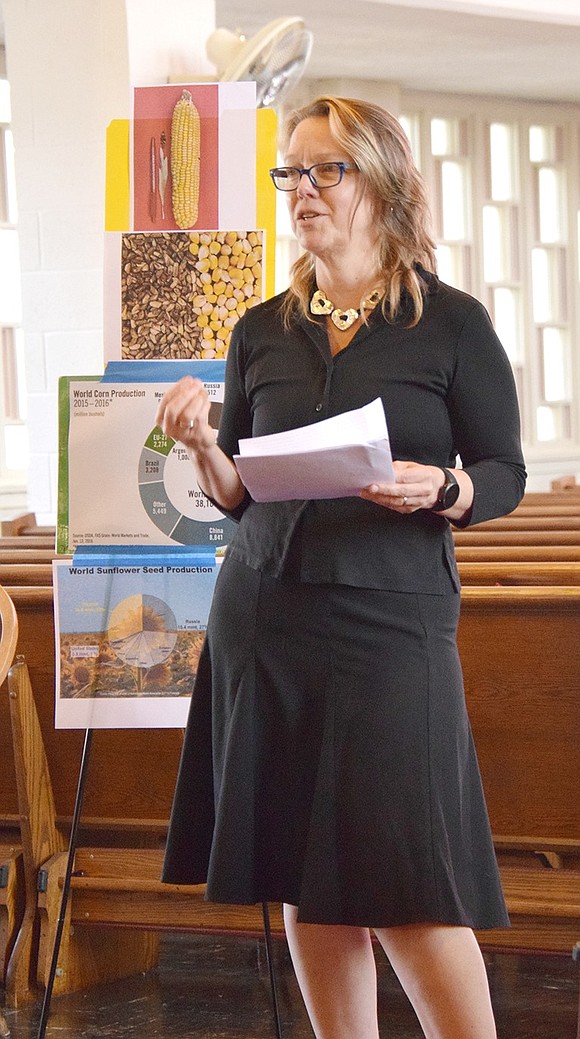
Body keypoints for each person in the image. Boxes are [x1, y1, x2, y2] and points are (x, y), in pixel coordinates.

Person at [157, 95, 526, 1039]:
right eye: (292, 171)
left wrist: (440, 489)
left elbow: (504, 473)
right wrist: (203, 445)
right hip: (266, 618)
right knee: (303, 874)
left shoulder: (451, 324)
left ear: (385, 182)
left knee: (408, 878)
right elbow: (239, 491)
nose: (303, 190)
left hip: (392, 626)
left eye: (327, 169)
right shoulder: (261, 330)